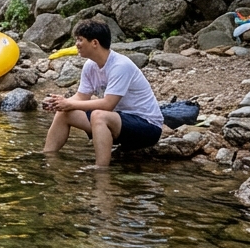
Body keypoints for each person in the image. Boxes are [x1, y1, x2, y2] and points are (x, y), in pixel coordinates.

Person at [43, 20, 164, 167]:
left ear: (94, 43)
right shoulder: (90, 65)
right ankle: (47, 159)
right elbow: (81, 96)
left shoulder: (120, 65)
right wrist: (59, 103)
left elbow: (108, 104)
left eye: (80, 40)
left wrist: (69, 103)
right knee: (64, 112)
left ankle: (101, 171)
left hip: (147, 126)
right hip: (117, 122)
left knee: (99, 115)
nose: (77, 44)